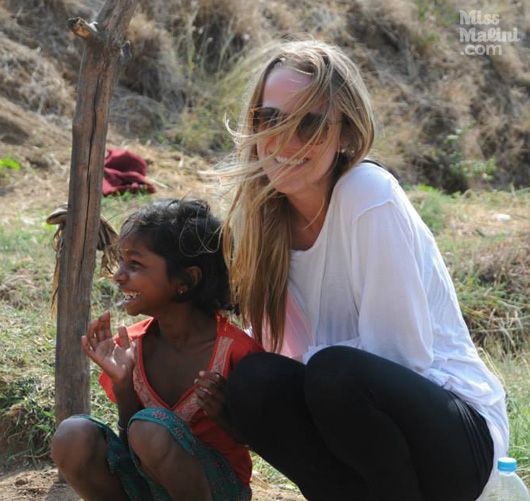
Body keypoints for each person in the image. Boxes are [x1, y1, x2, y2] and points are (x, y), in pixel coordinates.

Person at [219, 39, 508, 501]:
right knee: (254, 384)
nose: (284, 140)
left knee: (335, 375)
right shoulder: (263, 219)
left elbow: (401, 354)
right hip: (361, 434)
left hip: (456, 439)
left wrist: (310, 369)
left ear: (347, 136)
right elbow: (276, 360)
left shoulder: (367, 194)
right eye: (269, 119)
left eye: (309, 123)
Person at [51, 198, 263, 501]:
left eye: (135, 264)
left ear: (186, 280)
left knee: (150, 430)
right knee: (73, 436)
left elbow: (261, 438)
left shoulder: (236, 351)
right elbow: (132, 440)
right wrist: (124, 386)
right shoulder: (131, 345)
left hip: (217, 487)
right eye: (122, 262)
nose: (119, 275)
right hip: (149, 485)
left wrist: (225, 416)